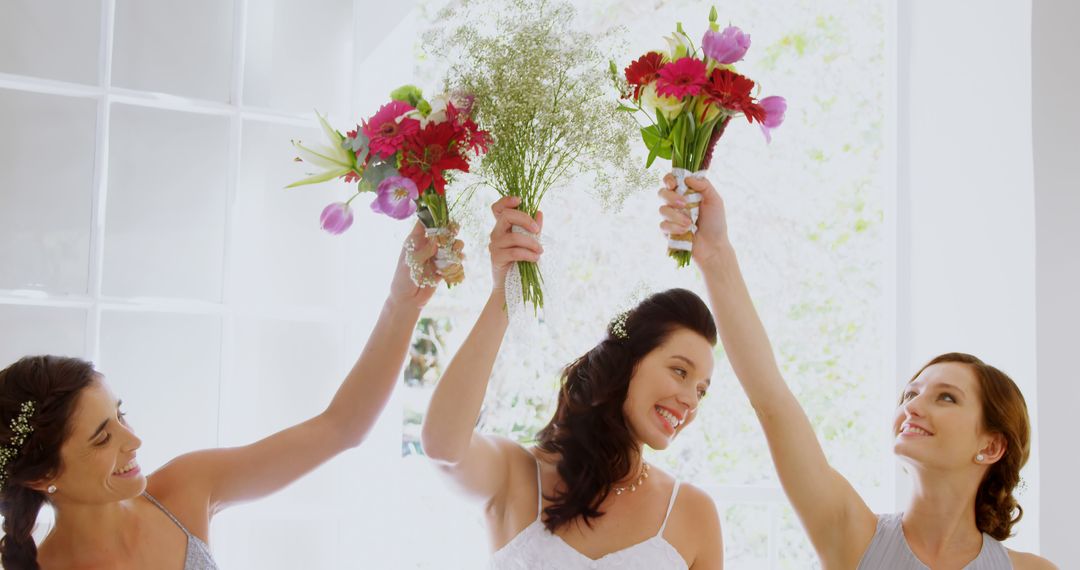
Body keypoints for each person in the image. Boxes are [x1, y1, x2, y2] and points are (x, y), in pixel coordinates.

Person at [0, 223, 459, 570]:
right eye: (102, 438)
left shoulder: (183, 490)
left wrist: (402, 305)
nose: (133, 441)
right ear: (43, 477)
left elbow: (340, 428)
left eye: (122, 416)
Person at [657, 174, 1057, 569]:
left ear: (990, 446)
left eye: (946, 397)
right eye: (911, 393)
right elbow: (772, 400)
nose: (914, 406)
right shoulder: (853, 538)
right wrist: (714, 253)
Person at [421, 196, 724, 569]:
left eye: (701, 390)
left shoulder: (694, 514)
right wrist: (505, 294)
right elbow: (442, 445)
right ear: (627, 363)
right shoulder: (518, 476)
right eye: (680, 371)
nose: (690, 400)